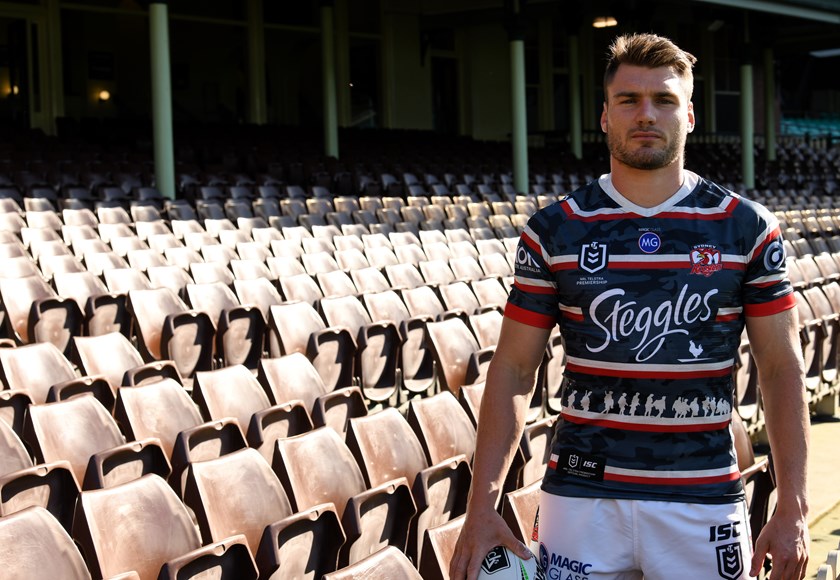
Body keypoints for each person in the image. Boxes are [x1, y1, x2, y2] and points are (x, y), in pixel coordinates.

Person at [450, 32, 810, 580]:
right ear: (604, 116)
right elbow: (514, 369)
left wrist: (792, 506)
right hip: (581, 496)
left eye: (663, 100)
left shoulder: (747, 228)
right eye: (629, 100)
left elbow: (782, 369)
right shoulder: (554, 229)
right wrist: (482, 508)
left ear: (688, 116)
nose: (647, 114)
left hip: (703, 497)